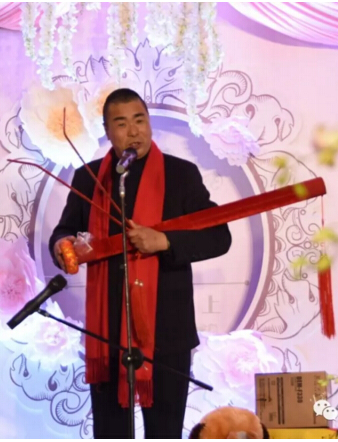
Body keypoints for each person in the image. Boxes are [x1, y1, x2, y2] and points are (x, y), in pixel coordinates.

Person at [49, 88, 232, 439]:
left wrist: (165, 242)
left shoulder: (181, 175)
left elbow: (219, 237)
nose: (134, 131)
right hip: (108, 330)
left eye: (140, 120)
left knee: (164, 432)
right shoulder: (89, 177)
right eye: (121, 124)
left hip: (166, 330)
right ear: (107, 131)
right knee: (110, 433)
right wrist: (61, 245)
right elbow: (65, 230)